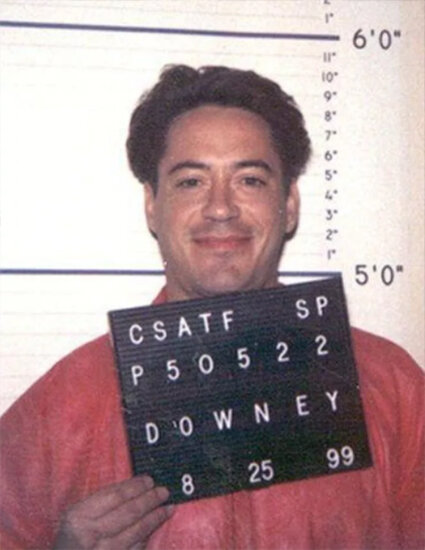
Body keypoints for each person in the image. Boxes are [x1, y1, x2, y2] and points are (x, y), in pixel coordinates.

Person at [0, 64, 423, 550]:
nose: (221, 208)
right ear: (152, 206)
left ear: (289, 205)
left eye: (250, 180)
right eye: (191, 182)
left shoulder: (393, 387)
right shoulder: (61, 408)